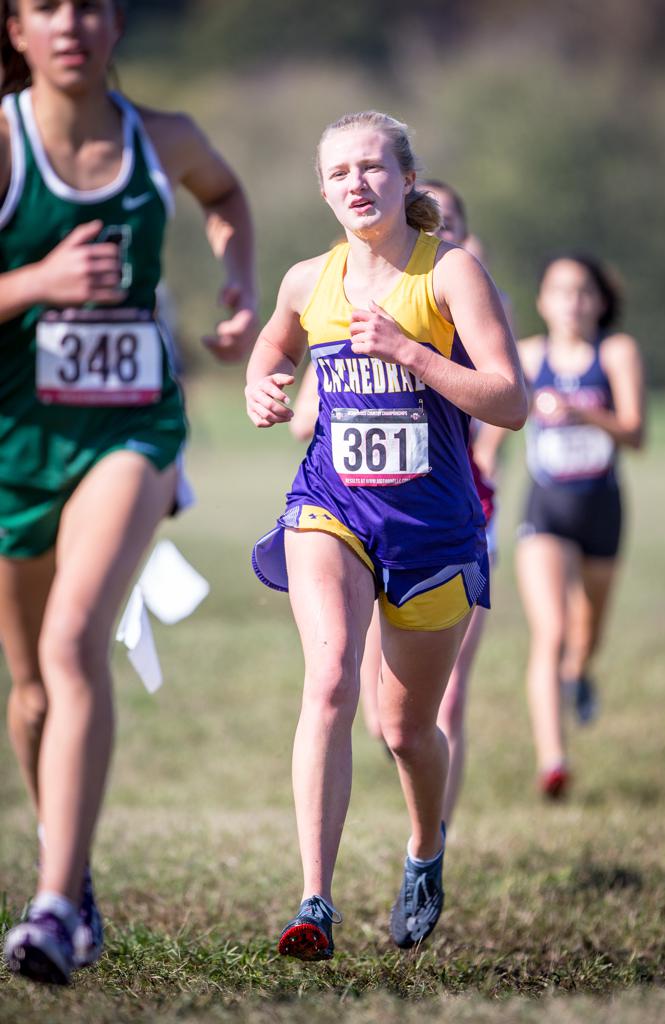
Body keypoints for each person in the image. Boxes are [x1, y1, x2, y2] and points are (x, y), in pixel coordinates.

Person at [0, 0, 257, 985]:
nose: (71, 22)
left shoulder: (166, 138)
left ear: (115, 25)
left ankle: (55, 904)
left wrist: (239, 285)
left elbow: (225, 192)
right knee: (29, 692)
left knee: (74, 642)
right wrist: (39, 281)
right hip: (15, 440)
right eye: (45, 7)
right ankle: (76, 869)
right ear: (16, 31)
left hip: (131, 425)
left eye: (91, 4)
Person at [246, 111, 526, 960]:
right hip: (332, 507)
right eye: (339, 173)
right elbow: (271, 347)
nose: (356, 184)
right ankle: (314, 902)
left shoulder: (449, 275)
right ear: (323, 189)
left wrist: (411, 352)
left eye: (372, 168)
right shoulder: (307, 280)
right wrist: (264, 383)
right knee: (330, 676)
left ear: (408, 179)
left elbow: (511, 401)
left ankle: (424, 850)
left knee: (406, 730)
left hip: (435, 528)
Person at [289, 178, 509, 825]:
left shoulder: (468, 296)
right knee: (356, 692)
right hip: (355, 512)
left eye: (448, 224)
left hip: (454, 512)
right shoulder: (345, 292)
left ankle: (434, 829)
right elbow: (310, 407)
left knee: (445, 701)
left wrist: (413, 358)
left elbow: (503, 399)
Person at [515, 252, 645, 799]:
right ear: (542, 301)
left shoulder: (615, 353)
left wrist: (579, 409)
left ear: (599, 301)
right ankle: (553, 760)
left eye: (583, 291)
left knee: (586, 635)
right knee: (551, 632)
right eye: (560, 290)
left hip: (603, 510)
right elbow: (496, 423)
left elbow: (636, 435)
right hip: (545, 510)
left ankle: (580, 674)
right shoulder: (526, 355)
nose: (572, 301)